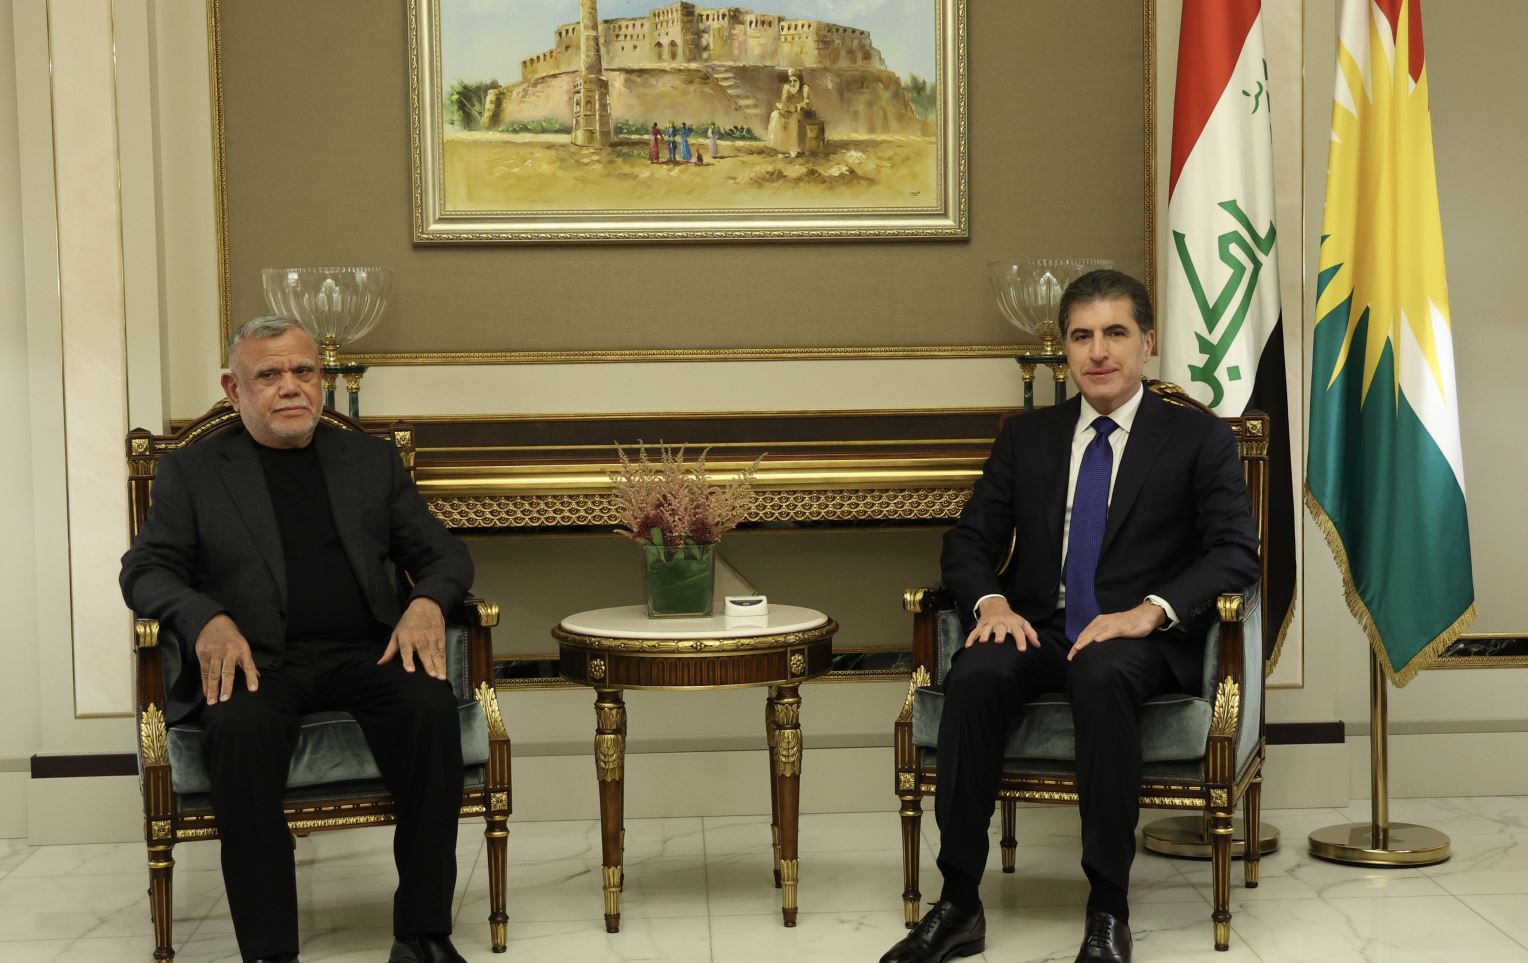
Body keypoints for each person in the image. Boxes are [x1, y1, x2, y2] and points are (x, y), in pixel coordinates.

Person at [879, 270, 1260, 963]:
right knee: (976, 673)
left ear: (1147, 342)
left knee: (1101, 674)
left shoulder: (1197, 438)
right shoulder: (1028, 437)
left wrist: (1151, 611)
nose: (1098, 351)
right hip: (1040, 625)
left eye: (1116, 333)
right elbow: (967, 542)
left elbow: (1237, 552)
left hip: (1137, 637)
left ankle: (1108, 909)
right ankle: (959, 902)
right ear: (1066, 349)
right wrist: (991, 603)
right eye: (1082, 336)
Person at [120, 316, 476, 963]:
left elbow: (444, 554)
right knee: (240, 730)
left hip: (366, 651)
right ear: (234, 389)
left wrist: (426, 600)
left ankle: (422, 935)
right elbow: (145, 571)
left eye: (303, 370)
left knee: (429, 710)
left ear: (320, 379)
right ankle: (270, 951)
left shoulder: (368, 460)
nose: (291, 386)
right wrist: (205, 618)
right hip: (256, 663)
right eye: (269, 374)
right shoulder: (193, 472)